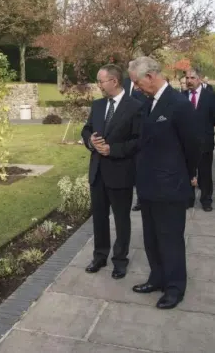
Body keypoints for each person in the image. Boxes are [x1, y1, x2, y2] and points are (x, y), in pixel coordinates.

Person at [128, 56, 200, 310]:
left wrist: (185, 174)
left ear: (150, 76)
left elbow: (193, 146)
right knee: (151, 238)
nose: (135, 86)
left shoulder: (178, 104)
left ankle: (175, 287)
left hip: (170, 186)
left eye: (137, 81)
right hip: (148, 185)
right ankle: (157, 278)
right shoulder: (148, 103)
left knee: (170, 240)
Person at [81, 64, 143, 280]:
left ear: (114, 81)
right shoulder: (97, 105)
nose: (98, 85)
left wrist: (112, 149)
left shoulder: (135, 106)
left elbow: (138, 140)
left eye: (101, 81)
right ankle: (100, 256)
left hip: (120, 172)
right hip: (97, 172)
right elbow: (86, 129)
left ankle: (120, 260)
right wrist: (90, 140)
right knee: (99, 218)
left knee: (121, 219)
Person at [183, 68, 215, 211]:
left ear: (199, 79)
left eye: (192, 78)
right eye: (187, 78)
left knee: (205, 172)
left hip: (205, 141)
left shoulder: (210, 96)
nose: (189, 81)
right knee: (188, 171)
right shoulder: (182, 95)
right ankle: (189, 199)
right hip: (186, 143)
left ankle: (206, 200)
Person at [123, 75, 147, 212]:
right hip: (125, 131)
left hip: (140, 130)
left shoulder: (143, 84)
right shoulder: (125, 83)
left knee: (140, 168)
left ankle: (141, 199)